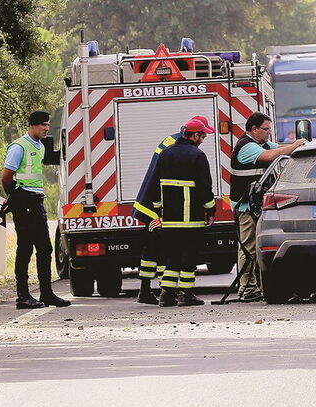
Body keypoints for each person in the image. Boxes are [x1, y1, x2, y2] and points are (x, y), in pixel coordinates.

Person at [131, 116, 213, 305]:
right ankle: (186, 294)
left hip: (168, 218)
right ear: (195, 135)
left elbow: (155, 185)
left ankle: (166, 294)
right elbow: (204, 188)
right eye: (202, 136)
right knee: (189, 256)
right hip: (190, 217)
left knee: (172, 256)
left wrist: (159, 212)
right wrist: (210, 209)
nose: (203, 140)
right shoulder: (197, 155)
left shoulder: (166, 152)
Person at [229, 112, 305, 302]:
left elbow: (279, 149)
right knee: (248, 248)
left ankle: (257, 286)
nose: (268, 133)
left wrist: (299, 146)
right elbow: (271, 155)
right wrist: (294, 145)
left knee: (258, 247)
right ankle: (246, 288)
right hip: (246, 207)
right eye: (265, 129)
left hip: (257, 205)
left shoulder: (260, 143)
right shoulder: (246, 147)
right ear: (254, 129)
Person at [2, 111, 70, 309]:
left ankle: (46, 294)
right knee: (25, 248)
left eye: (48, 125)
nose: (47, 128)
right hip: (24, 200)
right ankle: (23, 296)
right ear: (32, 126)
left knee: (44, 249)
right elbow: (6, 176)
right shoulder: (19, 146)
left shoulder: (40, 146)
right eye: (43, 125)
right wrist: (15, 197)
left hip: (36, 200)